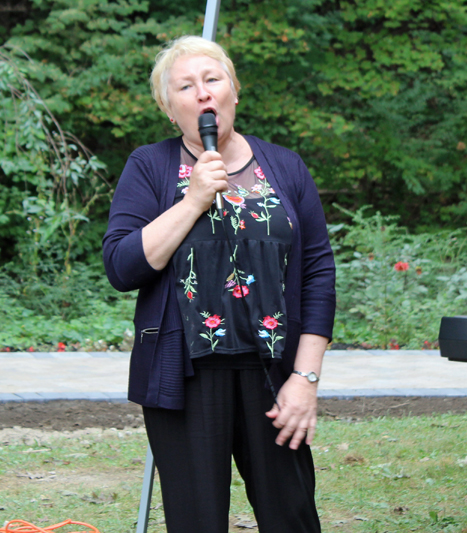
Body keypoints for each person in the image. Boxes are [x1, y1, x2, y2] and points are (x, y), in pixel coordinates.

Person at [103, 35, 335, 533]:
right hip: (184, 378)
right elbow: (122, 267)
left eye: (212, 79)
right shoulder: (150, 167)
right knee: (197, 522)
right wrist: (191, 201)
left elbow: (318, 274)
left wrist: (306, 379)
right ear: (171, 109)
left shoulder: (285, 166)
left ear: (234, 90)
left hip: (275, 376)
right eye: (185, 86)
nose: (203, 93)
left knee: (292, 517)